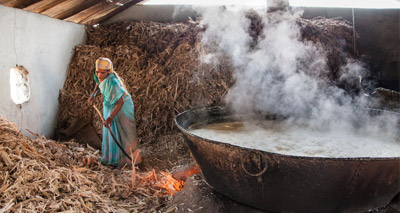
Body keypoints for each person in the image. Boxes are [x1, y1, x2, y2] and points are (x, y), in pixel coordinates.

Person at [87, 57, 141, 167]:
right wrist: (93, 95)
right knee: (111, 131)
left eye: (102, 73)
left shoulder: (113, 82)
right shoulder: (100, 77)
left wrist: (111, 117)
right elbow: (98, 83)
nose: (99, 75)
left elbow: (120, 102)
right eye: (97, 72)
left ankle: (129, 159)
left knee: (124, 131)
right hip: (110, 105)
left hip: (122, 107)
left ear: (108, 72)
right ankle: (113, 158)